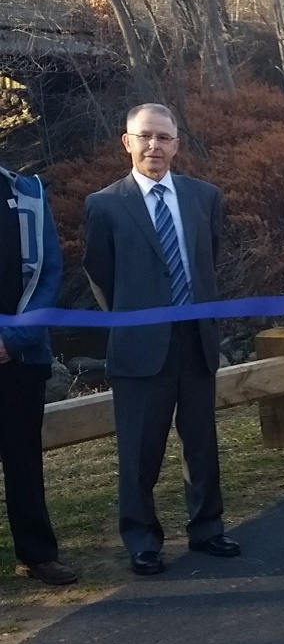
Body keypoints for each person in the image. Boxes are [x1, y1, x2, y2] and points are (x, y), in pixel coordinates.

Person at [83, 103, 239, 576]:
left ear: (176, 144)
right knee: (139, 449)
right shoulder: (105, 204)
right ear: (127, 142)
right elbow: (99, 273)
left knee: (201, 441)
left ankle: (207, 528)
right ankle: (142, 539)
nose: (155, 146)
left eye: (164, 138)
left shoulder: (203, 196)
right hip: (138, 346)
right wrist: (133, 319)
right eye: (145, 137)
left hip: (196, 339)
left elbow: (207, 256)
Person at [0, 166, 77, 587]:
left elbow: (48, 273)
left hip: (20, 357)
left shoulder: (27, 192)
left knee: (23, 460)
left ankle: (37, 555)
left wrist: (15, 339)